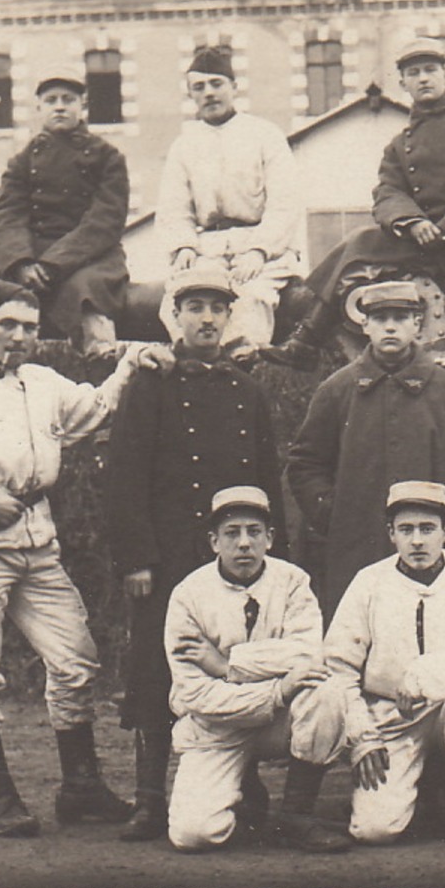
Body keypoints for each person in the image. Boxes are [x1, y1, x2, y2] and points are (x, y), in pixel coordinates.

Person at [0, 277, 171, 837]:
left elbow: (91, 412)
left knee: (75, 658)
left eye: (30, 327)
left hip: (37, 543)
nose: (20, 337)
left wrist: (131, 365)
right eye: (7, 325)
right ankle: (0, 798)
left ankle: (81, 786)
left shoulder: (41, 382)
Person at [104, 264, 285, 843]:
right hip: (167, 556)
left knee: (240, 660)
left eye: (216, 308)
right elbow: (125, 475)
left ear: (229, 316)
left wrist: (270, 557)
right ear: (175, 317)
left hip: (234, 561)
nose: (206, 318)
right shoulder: (150, 384)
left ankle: (243, 784)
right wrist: (136, 557)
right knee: (156, 669)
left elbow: (266, 480)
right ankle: (150, 796)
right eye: (194, 307)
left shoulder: (246, 390)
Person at [261, 39, 445, 368]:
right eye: (414, 73)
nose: (424, 78)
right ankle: (306, 339)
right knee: (357, 244)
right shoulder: (401, 143)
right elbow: (387, 192)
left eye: (430, 70)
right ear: (403, 83)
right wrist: (412, 222)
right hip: (425, 238)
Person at [285, 481, 445, 846]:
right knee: (376, 830)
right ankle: (407, 791)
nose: (418, 541)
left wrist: (425, 677)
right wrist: (363, 737)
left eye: (428, 529)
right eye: (406, 530)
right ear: (391, 534)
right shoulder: (370, 583)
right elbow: (339, 667)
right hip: (390, 718)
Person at [284, 280, 445, 616]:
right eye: (380, 317)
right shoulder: (338, 390)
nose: (389, 326)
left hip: (435, 548)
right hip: (358, 545)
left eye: (400, 317)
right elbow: (305, 464)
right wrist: (333, 513)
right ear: (364, 324)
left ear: (417, 323)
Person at [162, 486, 344, 852]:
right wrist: (277, 690)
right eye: (232, 533)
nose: (244, 543)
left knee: (326, 691)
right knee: (193, 835)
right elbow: (197, 695)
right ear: (214, 542)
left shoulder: (293, 582)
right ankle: (244, 787)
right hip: (218, 727)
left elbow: (306, 654)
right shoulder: (188, 595)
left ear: (270, 538)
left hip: (278, 725)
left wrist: (228, 665)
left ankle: (295, 815)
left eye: (254, 532)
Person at [155, 46, 304, 362]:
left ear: (234, 87)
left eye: (216, 84)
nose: (208, 93)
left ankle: (240, 370)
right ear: (191, 95)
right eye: (199, 87)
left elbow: (285, 203)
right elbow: (173, 208)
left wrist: (259, 250)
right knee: (183, 299)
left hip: (262, 249)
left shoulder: (265, 135)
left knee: (249, 299)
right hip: (207, 247)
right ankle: (193, 371)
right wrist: (184, 247)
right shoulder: (184, 145)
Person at [0, 65, 130, 359]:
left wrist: (53, 265)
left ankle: (99, 353)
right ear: (38, 108)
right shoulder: (22, 160)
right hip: (31, 253)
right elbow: (6, 215)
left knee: (87, 290)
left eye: (68, 99)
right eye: (51, 100)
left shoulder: (107, 156)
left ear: (82, 105)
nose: (59, 107)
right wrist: (20, 263)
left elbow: (105, 220)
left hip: (90, 255)